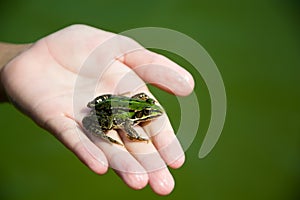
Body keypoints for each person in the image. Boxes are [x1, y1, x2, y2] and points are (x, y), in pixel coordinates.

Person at [0, 24, 194, 195]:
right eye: (146, 112)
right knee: (108, 126)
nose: (151, 112)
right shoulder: (130, 119)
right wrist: (135, 136)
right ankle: (105, 132)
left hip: (108, 101)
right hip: (106, 112)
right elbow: (128, 130)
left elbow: (137, 102)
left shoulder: (136, 103)